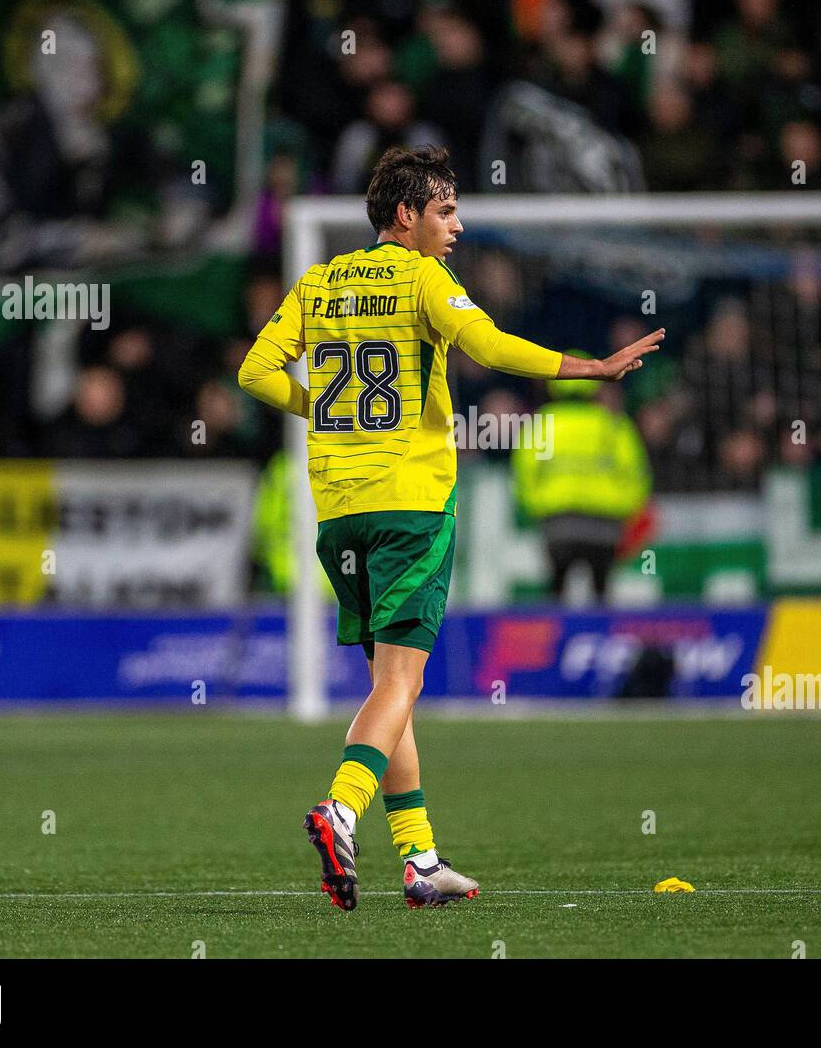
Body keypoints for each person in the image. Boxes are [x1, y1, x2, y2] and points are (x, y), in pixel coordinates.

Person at [237, 145, 664, 909]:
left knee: (388, 687)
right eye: (445, 210)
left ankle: (420, 859)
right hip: (410, 503)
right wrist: (592, 368)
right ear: (406, 215)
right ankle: (340, 808)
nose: (457, 226)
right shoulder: (423, 277)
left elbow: (256, 373)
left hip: (339, 512)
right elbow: (491, 345)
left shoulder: (319, 280)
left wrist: (322, 412)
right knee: (402, 681)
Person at [511, 367, 651, 603]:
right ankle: (600, 637)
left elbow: (523, 473)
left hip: (557, 523)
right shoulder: (613, 423)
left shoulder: (542, 423)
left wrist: (535, 506)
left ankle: (557, 638)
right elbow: (637, 474)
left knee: (557, 588)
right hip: (605, 523)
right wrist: (625, 508)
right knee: (601, 591)